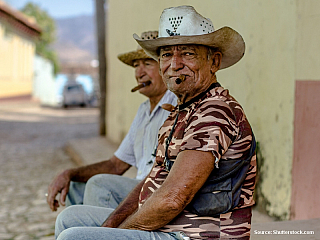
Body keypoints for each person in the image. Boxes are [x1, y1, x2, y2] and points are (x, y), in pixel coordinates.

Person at [55, 6, 256, 240]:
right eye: (167, 54)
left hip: (194, 235)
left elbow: (172, 199)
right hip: (170, 227)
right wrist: (108, 228)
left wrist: (115, 234)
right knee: (69, 219)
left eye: (188, 54)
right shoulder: (180, 110)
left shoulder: (214, 111)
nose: (175, 64)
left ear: (214, 61)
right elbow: (152, 179)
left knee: (74, 237)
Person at [46, 31, 177, 212]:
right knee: (74, 189)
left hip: (157, 194)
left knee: (100, 185)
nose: (139, 73)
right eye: (136, 65)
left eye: (147, 63)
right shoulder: (143, 111)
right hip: (137, 190)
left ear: (165, 68)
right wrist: (69, 173)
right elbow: (116, 165)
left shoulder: (177, 105)